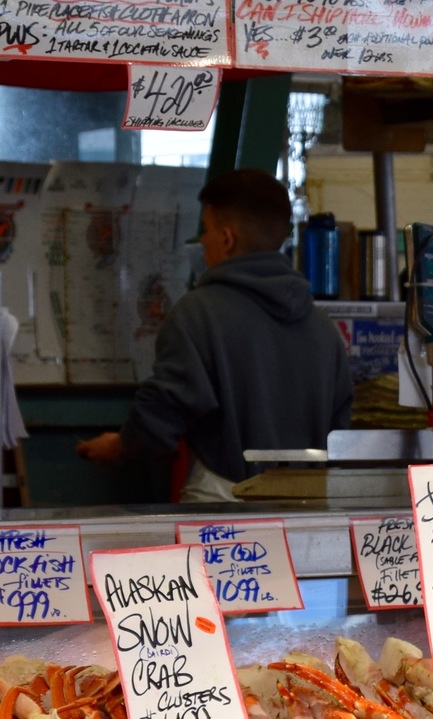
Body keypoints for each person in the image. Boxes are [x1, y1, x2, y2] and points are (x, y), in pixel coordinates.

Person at [77, 169, 353, 503]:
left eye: (205, 232)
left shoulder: (197, 314)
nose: (201, 243)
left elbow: (163, 415)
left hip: (223, 516)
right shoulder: (324, 329)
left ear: (226, 239)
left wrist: (120, 446)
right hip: (309, 515)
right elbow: (341, 435)